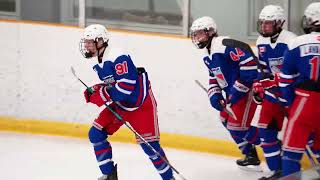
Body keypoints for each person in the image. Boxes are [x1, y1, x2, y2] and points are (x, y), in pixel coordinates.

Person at [79, 24, 174, 180]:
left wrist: (102, 95)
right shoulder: (97, 60)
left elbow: (126, 86)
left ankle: (169, 178)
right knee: (96, 134)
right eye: (86, 42)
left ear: (101, 41)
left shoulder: (117, 55)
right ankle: (109, 175)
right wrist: (97, 89)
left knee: (150, 147)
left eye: (90, 42)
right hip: (122, 104)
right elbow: (114, 85)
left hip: (141, 104)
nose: (87, 45)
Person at [190, 16, 261, 170]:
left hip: (247, 91)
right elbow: (214, 78)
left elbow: (249, 62)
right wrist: (215, 95)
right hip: (234, 95)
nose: (197, 37)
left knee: (237, 127)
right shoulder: (207, 55)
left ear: (211, 32)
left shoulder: (222, 45)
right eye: (195, 35)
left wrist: (236, 91)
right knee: (225, 119)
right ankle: (250, 155)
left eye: (200, 33)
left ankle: (273, 145)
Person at [252, 5, 297, 179]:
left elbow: (296, 72)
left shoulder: (291, 41)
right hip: (273, 96)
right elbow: (262, 68)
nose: (264, 27)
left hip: (293, 95)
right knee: (265, 132)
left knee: (308, 136)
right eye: (262, 23)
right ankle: (277, 171)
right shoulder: (261, 41)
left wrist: (272, 81)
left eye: (268, 24)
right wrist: (258, 84)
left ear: (279, 23)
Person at [279, 2, 320, 177]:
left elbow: (286, 78)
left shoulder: (298, 42)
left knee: (291, 152)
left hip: (305, 101)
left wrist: (290, 103)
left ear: (310, 20)